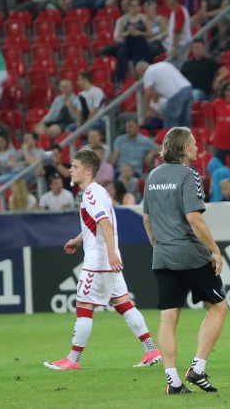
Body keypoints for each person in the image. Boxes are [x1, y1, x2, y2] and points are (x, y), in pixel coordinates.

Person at [44, 150, 161, 371]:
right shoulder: (100, 192)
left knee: (84, 307)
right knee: (124, 304)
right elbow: (97, 224)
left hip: (98, 262)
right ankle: (151, 350)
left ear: (88, 170)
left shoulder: (90, 194)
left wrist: (109, 253)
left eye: (75, 166)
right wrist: (79, 239)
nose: (71, 170)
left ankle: (72, 360)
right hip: (107, 261)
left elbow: (105, 223)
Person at [142, 127, 228, 394]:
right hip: (190, 254)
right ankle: (197, 368)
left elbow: (147, 219)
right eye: (192, 143)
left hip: (163, 256)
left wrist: (158, 246)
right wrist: (215, 250)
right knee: (217, 307)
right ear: (182, 148)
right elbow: (194, 217)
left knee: (168, 318)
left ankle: (172, 380)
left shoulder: (153, 175)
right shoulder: (189, 175)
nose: (197, 148)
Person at [137, 61, 194, 128]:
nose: (141, 77)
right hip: (188, 88)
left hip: (175, 94)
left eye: (140, 75)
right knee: (185, 123)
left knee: (171, 124)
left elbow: (148, 94)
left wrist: (145, 113)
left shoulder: (148, 73)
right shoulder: (164, 64)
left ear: (141, 71)